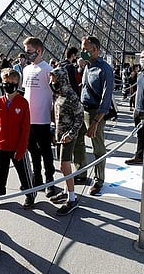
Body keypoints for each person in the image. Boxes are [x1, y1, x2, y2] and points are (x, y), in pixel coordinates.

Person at [0, 68, 36, 209]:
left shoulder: (22, 103)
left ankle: (29, 193)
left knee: (24, 172)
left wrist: (22, 148)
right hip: (2, 144)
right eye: (6, 82)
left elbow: (25, 128)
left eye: (12, 82)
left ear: (18, 83)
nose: (8, 85)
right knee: (0, 171)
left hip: (17, 146)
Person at [78, 36, 114, 195]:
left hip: (94, 112)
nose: (83, 52)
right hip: (81, 109)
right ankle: (80, 172)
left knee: (98, 148)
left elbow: (106, 98)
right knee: (77, 143)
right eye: (82, 48)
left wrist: (96, 122)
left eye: (86, 49)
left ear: (96, 50)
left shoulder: (104, 69)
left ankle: (99, 180)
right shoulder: (87, 66)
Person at [22, 37, 56, 197]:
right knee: (32, 151)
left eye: (29, 51)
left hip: (43, 118)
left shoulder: (47, 69)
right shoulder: (26, 69)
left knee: (46, 151)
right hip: (28, 118)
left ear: (39, 51)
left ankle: (50, 180)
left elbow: (53, 94)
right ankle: (37, 178)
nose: (26, 54)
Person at [48, 66, 84, 215]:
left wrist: (71, 133)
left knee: (65, 165)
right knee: (63, 167)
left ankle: (72, 198)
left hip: (68, 136)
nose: (52, 81)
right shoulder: (57, 94)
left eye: (54, 79)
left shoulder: (70, 95)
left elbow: (80, 117)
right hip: (59, 135)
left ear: (62, 79)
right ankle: (66, 190)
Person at [59, 46, 86, 183]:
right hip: (73, 108)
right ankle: (79, 172)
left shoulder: (60, 65)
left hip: (62, 111)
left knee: (64, 155)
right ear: (74, 55)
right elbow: (74, 86)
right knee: (78, 142)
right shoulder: (70, 67)